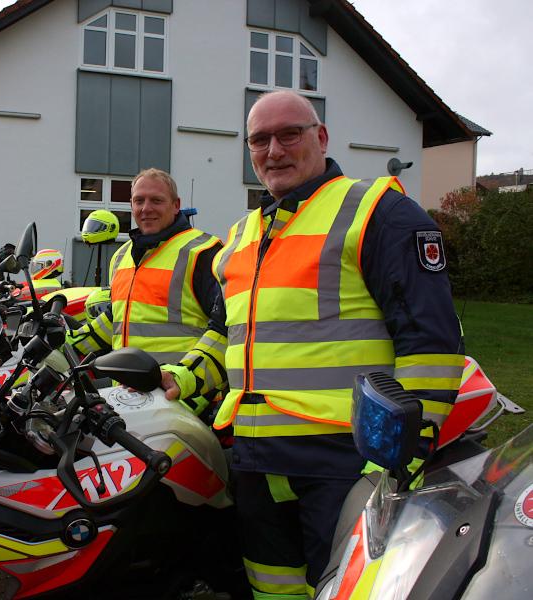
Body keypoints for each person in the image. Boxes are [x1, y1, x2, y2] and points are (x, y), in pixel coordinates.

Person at [161, 90, 464, 599]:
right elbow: (224, 331)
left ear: (321, 138)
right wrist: (184, 376)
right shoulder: (241, 235)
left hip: (344, 458)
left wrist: (398, 455)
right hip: (256, 456)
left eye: (289, 134)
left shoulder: (377, 212)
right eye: (260, 140)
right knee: (272, 588)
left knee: (347, 588)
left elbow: (430, 343)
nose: (274, 150)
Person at [69, 168, 223, 415]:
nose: (146, 208)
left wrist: (185, 378)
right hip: (128, 397)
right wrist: (68, 343)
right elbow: (119, 317)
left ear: (176, 205)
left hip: (184, 398)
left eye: (156, 200)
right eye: (139, 200)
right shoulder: (121, 256)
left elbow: (226, 331)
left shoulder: (203, 253)